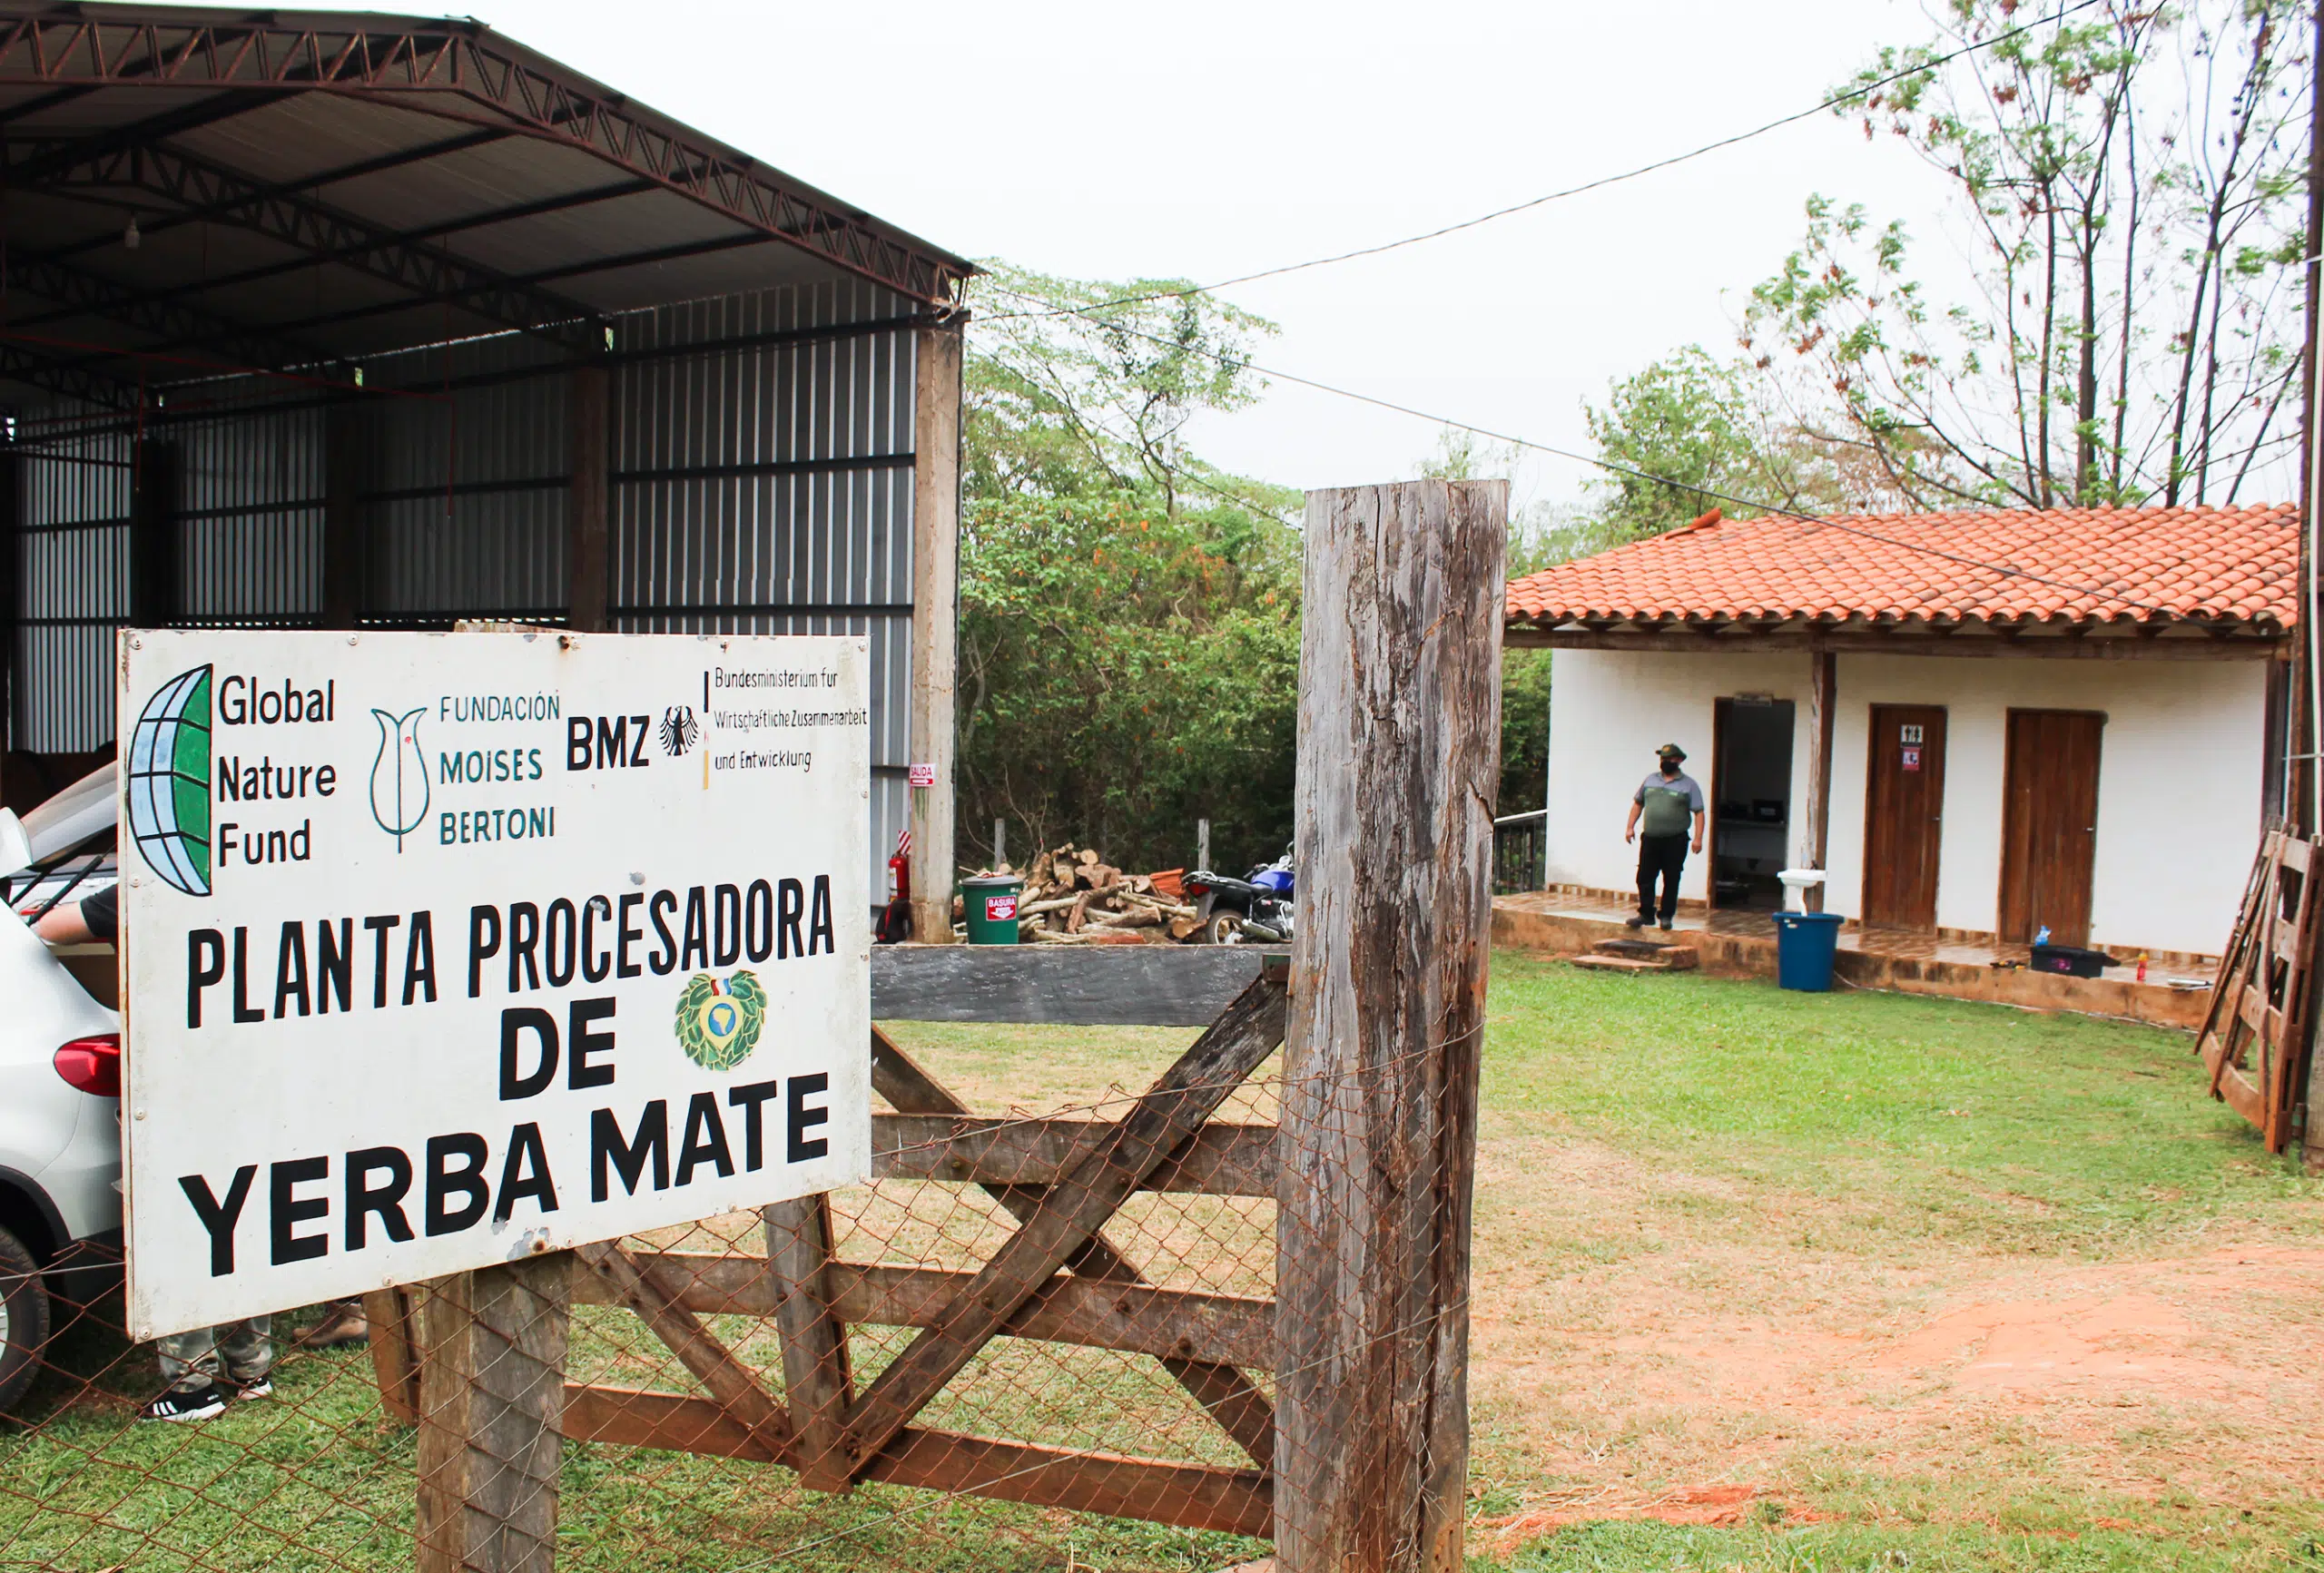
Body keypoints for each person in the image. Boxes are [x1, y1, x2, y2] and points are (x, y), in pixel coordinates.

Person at [34, 880, 288, 1421]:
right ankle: (252, 1369)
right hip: (254, 1066)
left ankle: (193, 1386)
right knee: (245, 1212)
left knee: (183, 1219)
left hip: (179, 1074)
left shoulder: (152, 882)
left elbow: (46, 931)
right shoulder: (270, 876)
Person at [1623, 742, 1706, 931]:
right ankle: (1645, 914)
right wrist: (1630, 827)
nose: (1665, 762)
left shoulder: (1689, 785)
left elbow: (1699, 812)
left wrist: (1698, 838)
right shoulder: (1650, 780)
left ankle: (1666, 915)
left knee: (1671, 877)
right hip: (1651, 838)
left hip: (1675, 840)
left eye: (1669, 759)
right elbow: (1638, 803)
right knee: (1644, 876)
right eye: (1663, 759)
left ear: (1679, 761)